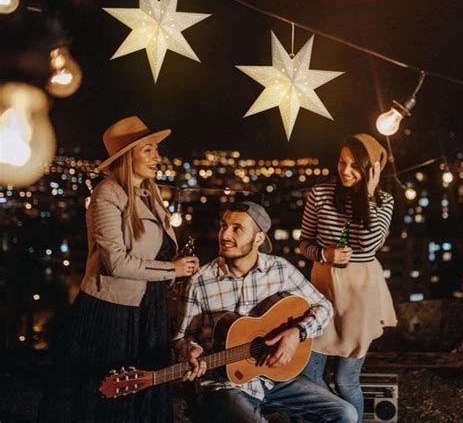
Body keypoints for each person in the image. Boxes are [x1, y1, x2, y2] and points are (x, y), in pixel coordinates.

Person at [38, 116, 199, 422]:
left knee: (141, 386)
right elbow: (117, 263)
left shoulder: (150, 194)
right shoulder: (106, 195)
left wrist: (179, 267)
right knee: (108, 390)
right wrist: (172, 270)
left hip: (147, 308)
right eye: (148, 151)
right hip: (113, 310)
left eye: (156, 150)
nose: (158, 158)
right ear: (128, 156)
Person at [174, 201, 358, 422]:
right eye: (224, 226)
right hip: (226, 385)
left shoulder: (280, 270)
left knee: (346, 414)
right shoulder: (199, 281)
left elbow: (324, 307)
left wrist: (296, 333)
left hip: (275, 379)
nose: (224, 235)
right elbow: (180, 337)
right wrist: (190, 349)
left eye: (237, 228)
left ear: (258, 239)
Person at [299, 133, 397, 423]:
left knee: (346, 380)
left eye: (356, 166)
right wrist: (323, 254)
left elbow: (369, 245)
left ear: (372, 170)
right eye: (343, 162)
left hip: (361, 293)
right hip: (323, 289)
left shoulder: (384, 201)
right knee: (309, 372)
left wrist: (368, 195)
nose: (345, 170)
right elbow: (304, 242)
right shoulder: (318, 194)